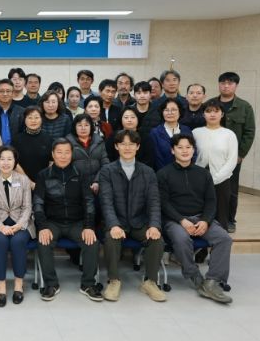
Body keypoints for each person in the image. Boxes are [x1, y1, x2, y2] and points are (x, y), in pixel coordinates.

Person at [158, 134, 233, 304]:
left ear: (193, 150)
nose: (185, 151)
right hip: (174, 220)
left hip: (200, 218)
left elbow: (211, 201)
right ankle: (195, 276)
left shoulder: (203, 174)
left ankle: (212, 281)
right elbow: (163, 203)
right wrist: (182, 220)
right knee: (181, 238)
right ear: (172, 150)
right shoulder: (163, 174)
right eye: (180, 147)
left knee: (224, 239)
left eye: (188, 147)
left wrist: (205, 220)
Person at [99, 130, 166, 302]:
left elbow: (154, 202)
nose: (127, 148)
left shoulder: (148, 172)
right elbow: (106, 201)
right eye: (123, 144)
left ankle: (150, 282)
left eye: (131, 144)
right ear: (116, 146)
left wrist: (154, 226)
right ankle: (114, 281)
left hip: (139, 222)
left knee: (157, 239)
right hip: (117, 221)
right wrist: (113, 225)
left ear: (137, 147)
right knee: (111, 239)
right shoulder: (107, 171)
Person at [34, 139, 102, 302]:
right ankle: (51, 284)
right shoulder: (44, 175)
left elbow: (89, 202)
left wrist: (89, 226)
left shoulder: (81, 174)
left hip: (77, 222)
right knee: (43, 241)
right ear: (53, 154)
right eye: (59, 152)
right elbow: (38, 203)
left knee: (92, 242)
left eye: (67, 152)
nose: (63, 156)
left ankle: (88, 284)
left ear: (72, 154)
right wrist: (42, 226)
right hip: (52, 222)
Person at [0, 145, 34, 307]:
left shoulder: (23, 180)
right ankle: (1, 287)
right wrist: (0, 227)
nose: (5, 162)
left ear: (15, 161)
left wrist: (19, 225)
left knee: (18, 241)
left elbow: (27, 207)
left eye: (9, 159)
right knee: (0, 241)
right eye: (2, 159)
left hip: (20, 221)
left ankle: (18, 285)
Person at [213, 71, 255, 233]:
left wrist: (241, 154)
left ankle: (230, 219)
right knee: (211, 187)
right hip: (212, 155)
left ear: (236, 85)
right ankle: (212, 217)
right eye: (223, 83)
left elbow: (249, 132)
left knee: (230, 189)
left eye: (229, 83)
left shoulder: (244, 107)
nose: (226, 86)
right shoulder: (210, 103)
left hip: (233, 157)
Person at [192, 99, 238, 229]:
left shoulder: (229, 134)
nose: (212, 114)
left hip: (222, 179)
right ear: (203, 114)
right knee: (200, 211)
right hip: (198, 178)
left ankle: (220, 237)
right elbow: (191, 155)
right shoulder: (196, 132)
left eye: (216, 111)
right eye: (208, 111)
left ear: (222, 114)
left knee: (221, 212)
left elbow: (232, 160)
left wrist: (217, 178)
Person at [66, 114, 109, 195]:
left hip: (97, 186)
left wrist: (97, 181)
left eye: (86, 125)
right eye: (79, 125)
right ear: (74, 127)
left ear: (91, 127)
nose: (83, 128)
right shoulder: (67, 143)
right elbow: (65, 166)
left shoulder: (99, 141)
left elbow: (105, 164)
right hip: (75, 186)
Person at [150, 97, 195, 170]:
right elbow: (156, 157)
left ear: (180, 112)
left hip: (186, 171)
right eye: (166, 110)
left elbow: (193, 152)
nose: (170, 113)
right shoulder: (155, 132)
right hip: (163, 172)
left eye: (174, 110)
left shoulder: (186, 130)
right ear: (162, 112)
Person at [11, 106, 53, 185]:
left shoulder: (48, 138)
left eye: (36, 117)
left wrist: (45, 180)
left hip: (44, 182)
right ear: (25, 120)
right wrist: (29, 183)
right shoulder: (17, 139)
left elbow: (52, 161)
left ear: (41, 119)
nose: (33, 121)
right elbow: (14, 162)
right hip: (21, 181)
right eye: (30, 118)